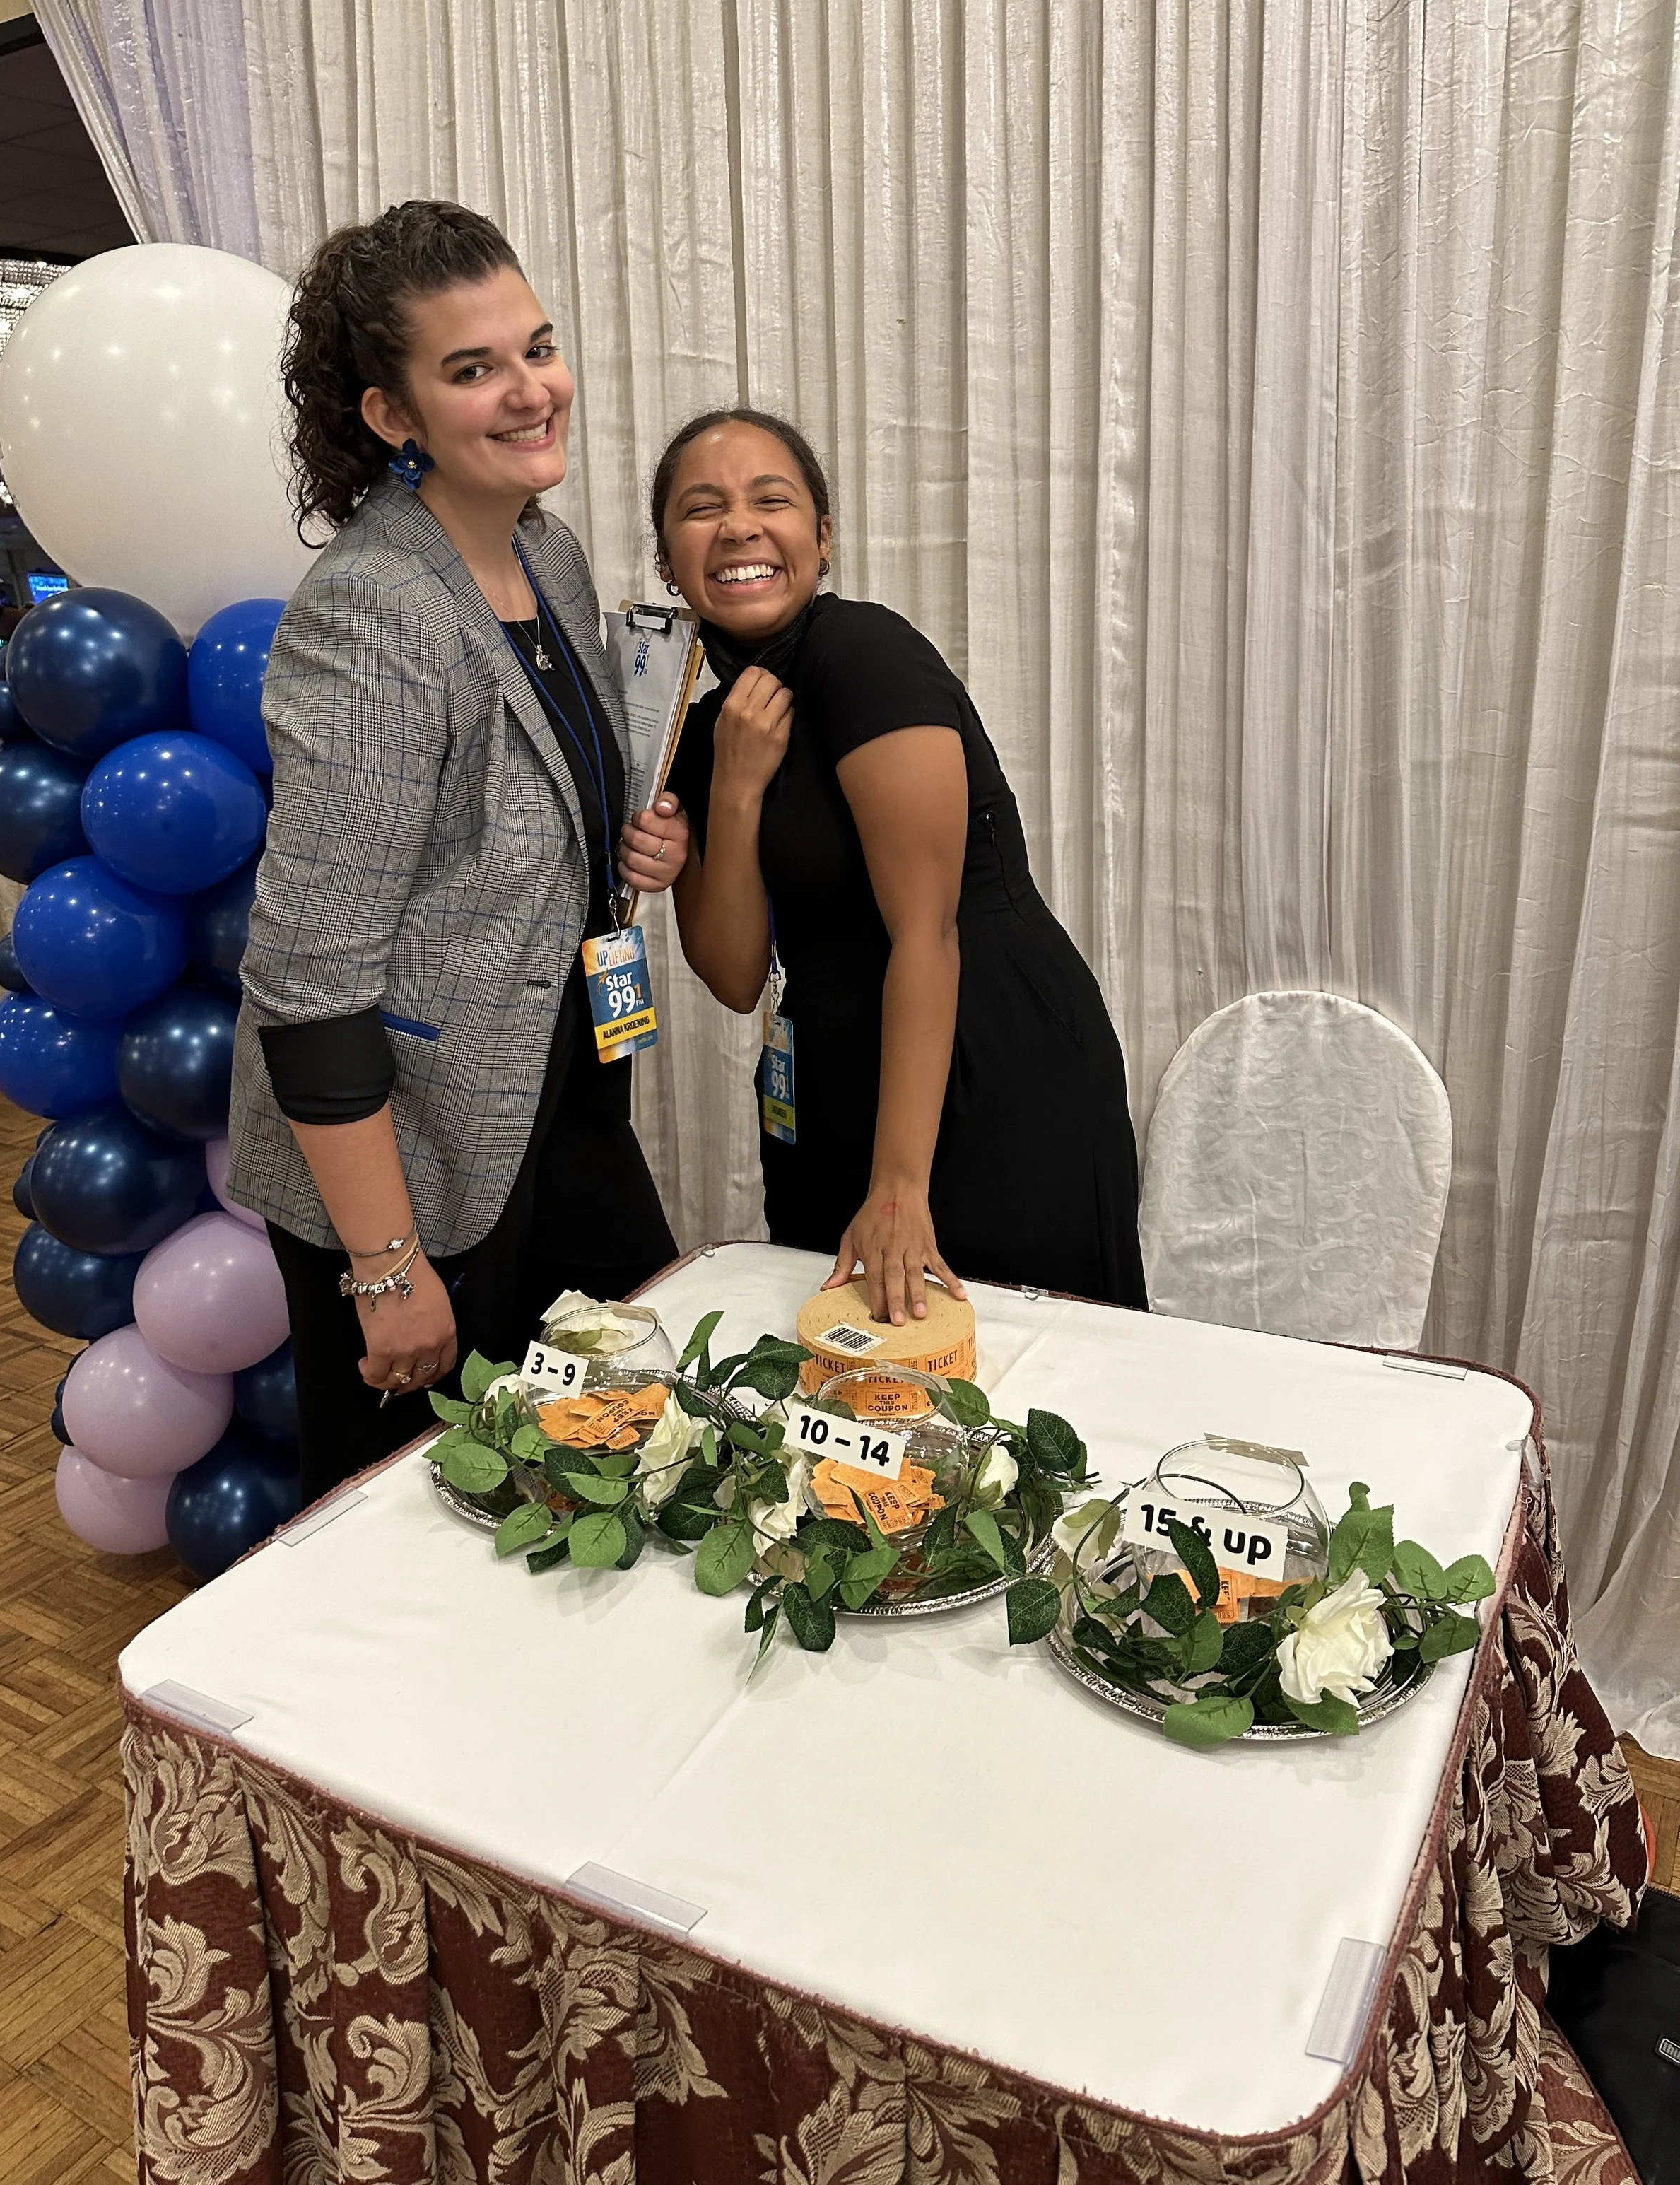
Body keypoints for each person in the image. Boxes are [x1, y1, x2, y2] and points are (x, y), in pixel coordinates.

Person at [227, 201, 689, 1502]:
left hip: (564, 1102)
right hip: (412, 1166)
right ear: (391, 415)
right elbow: (307, 987)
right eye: (474, 369)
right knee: (418, 1528)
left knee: (616, 1457)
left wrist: (630, 839)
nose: (531, 391)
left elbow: (526, 811)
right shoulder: (372, 615)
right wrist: (385, 1268)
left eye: (536, 349)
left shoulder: (546, 549)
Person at [662, 409, 1146, 1325]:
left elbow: (928, 931)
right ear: (665, 559)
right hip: (830, 1078)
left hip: (984, 1062)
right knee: (851, 1385)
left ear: (824, 537)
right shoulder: (700, 728)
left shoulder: (865, 654)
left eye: (773, 499)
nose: (738, 526)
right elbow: (730, 976)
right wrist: (733, 790)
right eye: (702, 507)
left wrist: (897, 1187)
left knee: (1011, 1373)